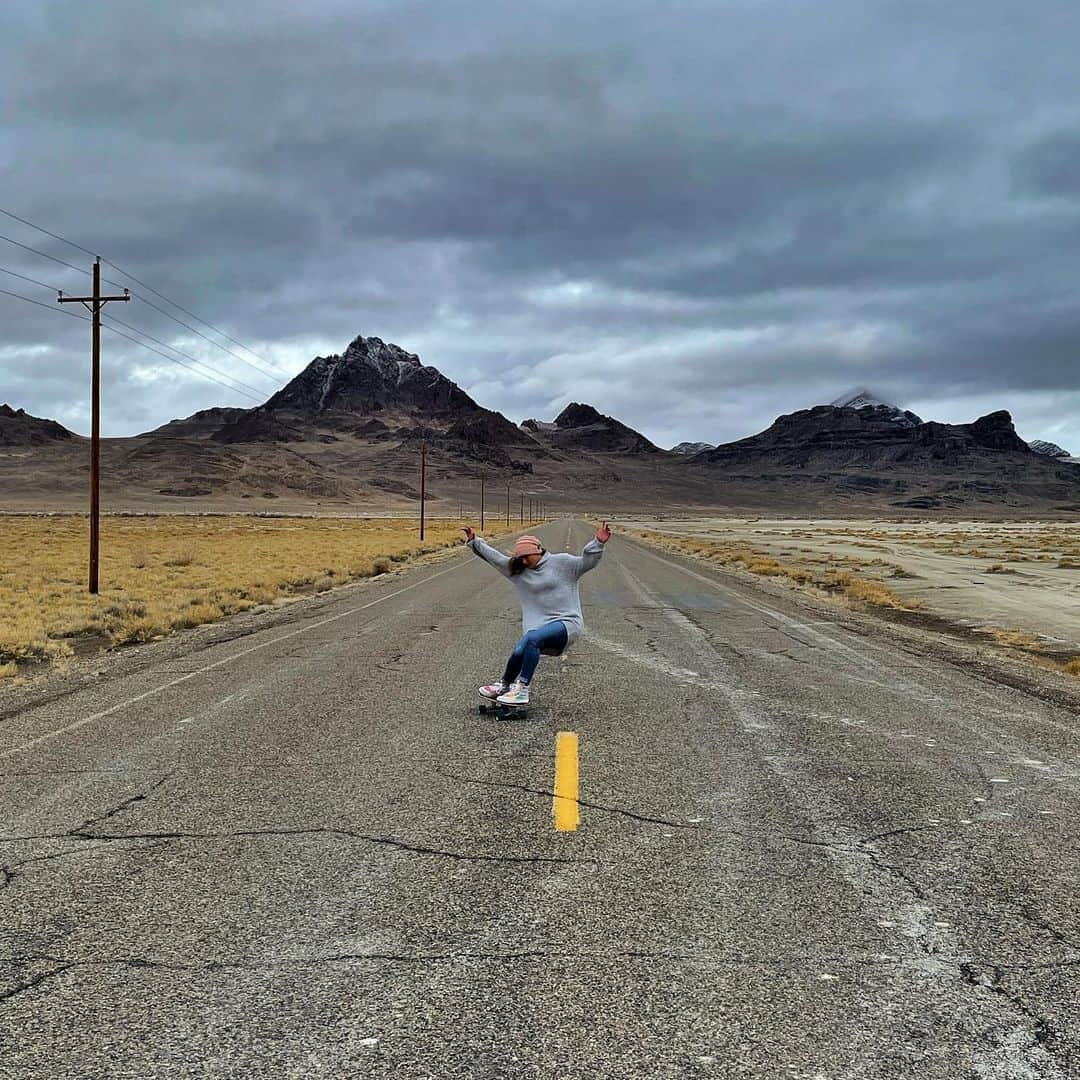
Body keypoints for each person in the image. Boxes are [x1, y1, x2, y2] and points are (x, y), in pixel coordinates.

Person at [462, 521, 612, 706]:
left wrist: (598, 542)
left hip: (567, 623)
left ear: (538, 550)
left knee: (532, 639)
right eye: (520, 558)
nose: (524, 561)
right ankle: (504, 685)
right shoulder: (518, 571)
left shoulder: (563, 563)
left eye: (527, 556)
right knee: (520, 649)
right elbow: (495, 558)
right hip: (537, 629)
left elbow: (586, 562)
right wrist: (475, 541)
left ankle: (522, 689)